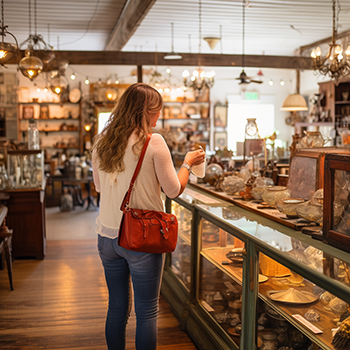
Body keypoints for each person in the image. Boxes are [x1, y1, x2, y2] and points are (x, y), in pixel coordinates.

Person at [91, 83, 205, 350]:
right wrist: (187, 163)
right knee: (147, 312)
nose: (159, 117)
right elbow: (173, 190)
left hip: (107, 236)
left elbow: (98, 186)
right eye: (158, 111)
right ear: (147, 111)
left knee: (116, 308)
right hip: (141, 237)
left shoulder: (102, 141)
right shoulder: (154, 141)